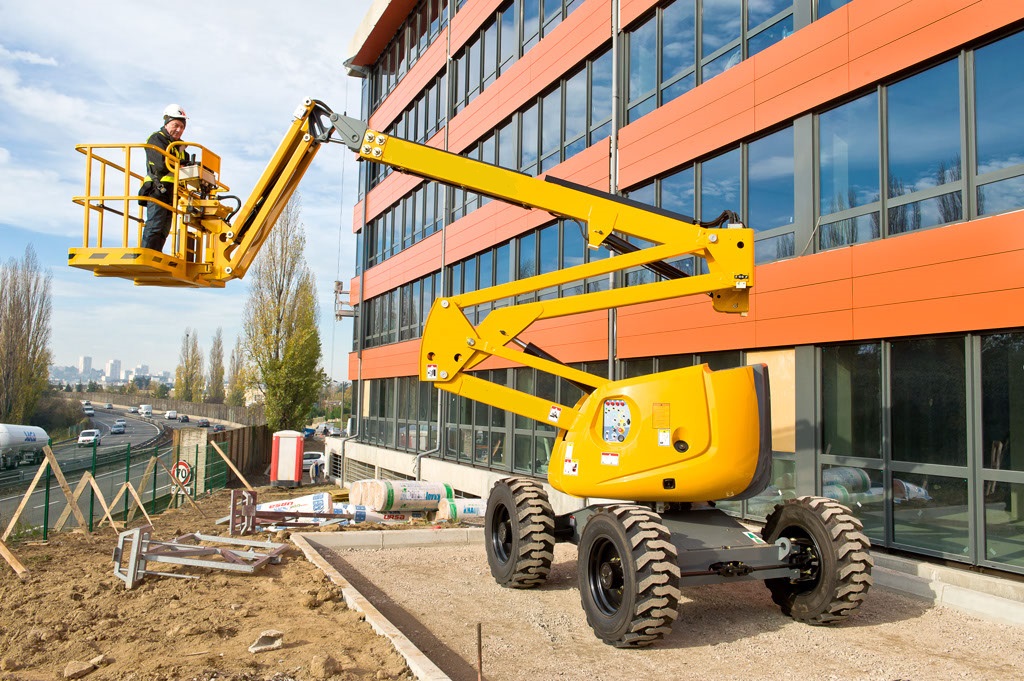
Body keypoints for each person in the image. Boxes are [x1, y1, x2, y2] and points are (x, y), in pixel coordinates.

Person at [140, 104, 189, 251]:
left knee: (164, 229)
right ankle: (147, 253)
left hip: (172, 192)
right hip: (157, 188)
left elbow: (186, 166)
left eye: (182, 127)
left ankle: (155, 253)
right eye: (176, 125)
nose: (179, 130)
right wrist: (180, 167)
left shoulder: (179, 147)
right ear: (167, 123)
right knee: (155, 225)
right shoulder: (156, 139)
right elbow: (161, 165)